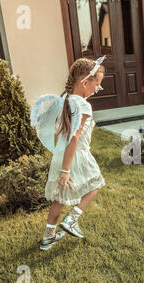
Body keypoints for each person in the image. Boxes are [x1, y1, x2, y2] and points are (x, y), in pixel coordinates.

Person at [31, 57, 107, 251]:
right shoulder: (83, 105)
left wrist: (63, 167)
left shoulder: (64, 99)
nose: (97, 89)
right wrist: (66, 170)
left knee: (60, 196)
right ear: (84, 82)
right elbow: (74, 138)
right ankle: (72, 219)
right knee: (96, 184)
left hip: (60, 156)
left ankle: (48, 236)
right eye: (96, 84)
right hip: (76, 156)